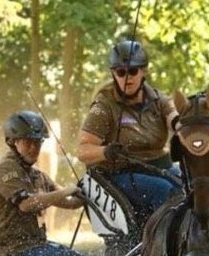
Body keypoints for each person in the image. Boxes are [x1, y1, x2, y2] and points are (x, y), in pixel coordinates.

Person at [0, 110, 93, 256]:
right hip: (10, 255)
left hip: (34, 248)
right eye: (28, 142)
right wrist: (66, 191)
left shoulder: (37, 176)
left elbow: (70, 203)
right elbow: (27, 204)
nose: (34, 148)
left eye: (38, 142)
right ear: (13, 142)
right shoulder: (6, 171)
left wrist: (87, 192)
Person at [76, 39, 181, 215]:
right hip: (120, 174)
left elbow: (175, 120)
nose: (127, 77)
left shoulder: (159, 100)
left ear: (143, 71)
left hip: (159, 166)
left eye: (133, 71)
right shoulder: (103, 106)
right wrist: (106, 151)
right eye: (121, 72)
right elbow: (82, 151)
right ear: (113, 74)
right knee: (165, 190)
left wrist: (186, 129)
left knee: (191, 184)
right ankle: (163, 240)